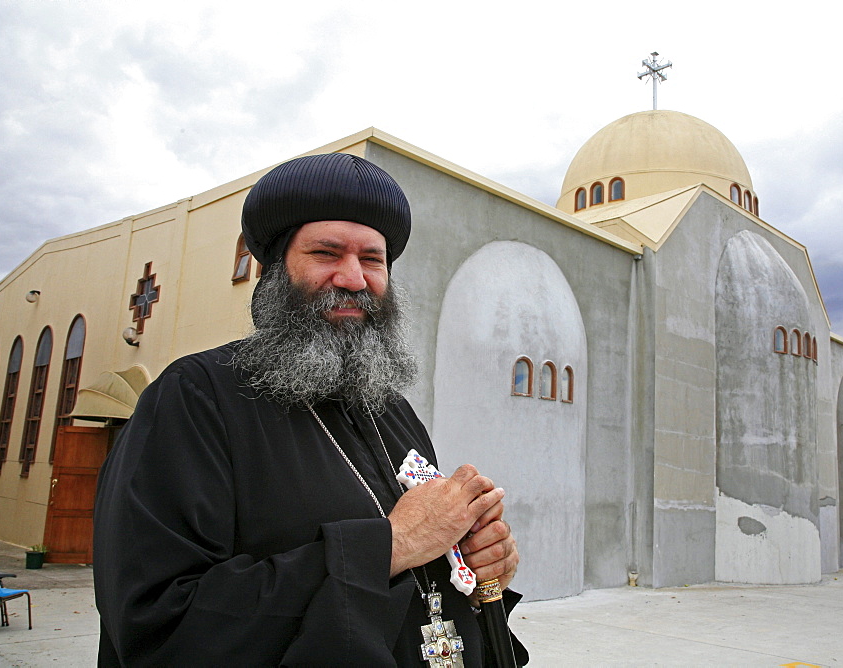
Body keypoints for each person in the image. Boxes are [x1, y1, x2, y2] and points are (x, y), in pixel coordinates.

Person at [93, 153, 525, 666]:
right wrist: (394, 543)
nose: (354, 279)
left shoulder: (393, 411)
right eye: (326, 253)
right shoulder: (195, 397)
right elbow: (158, 622)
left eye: (372, 259)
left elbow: (417, 587)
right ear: (274, 269)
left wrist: (473, 571)